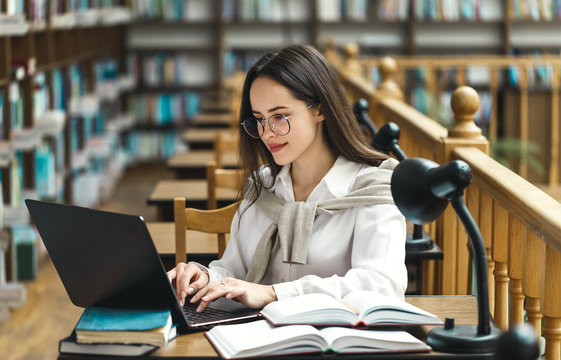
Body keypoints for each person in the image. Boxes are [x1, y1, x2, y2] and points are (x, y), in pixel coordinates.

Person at [167, 44, 407, 313]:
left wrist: (274, 293)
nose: (267, 133)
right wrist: (204, 279)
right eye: (258, 119)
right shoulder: (263, 186)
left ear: (320, 109)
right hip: (257, 339)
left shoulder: (371, 187)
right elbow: (234, 271)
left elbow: (384, 285)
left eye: (279, 116)